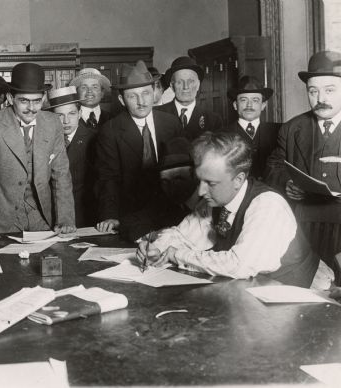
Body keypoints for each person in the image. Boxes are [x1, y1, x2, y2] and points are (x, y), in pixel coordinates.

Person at [137, 131, 320, 287]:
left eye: (211, 183)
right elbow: (180, 235)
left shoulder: (267, 206)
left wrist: (177, 255)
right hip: (256, 292)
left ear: (239, 179)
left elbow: (239, 265)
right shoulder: (215, 200)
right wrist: (156, 249)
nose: (201, 191)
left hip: (302, 295)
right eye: (200, 180)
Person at [0, 62, 76, 242]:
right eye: (24, 101)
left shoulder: (53, 123)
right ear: (10, 98)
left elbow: (62, 176)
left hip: (42, 219)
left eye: (37, 101)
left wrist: (65, 219)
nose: (31, 108)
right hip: (1, 221)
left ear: (43, 98)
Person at [265, 50, 341, 271]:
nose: (321, 99)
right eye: (313, 91)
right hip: (302, 227)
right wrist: (286, 183)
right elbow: (274, 167)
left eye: (330, 90)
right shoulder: (292, 129)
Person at [95, 60, 182, 233]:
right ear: (121, 99)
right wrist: (109, 215)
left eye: (146, 93)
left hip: (170, 213)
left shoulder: (171, 123)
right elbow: (108, 179)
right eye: (132, 96)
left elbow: (182, 172)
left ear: (154, 92)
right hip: (130, 216)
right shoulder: (110, 131)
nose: (141, 101)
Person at [119, 137, 198, 242]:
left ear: (195, 175)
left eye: (178, 179)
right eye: (165, 181)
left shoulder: (210, 202)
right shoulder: (164, 202)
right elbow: (127, 224)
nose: (171, 187)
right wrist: (154, 234)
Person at [47, 86, 98, 227]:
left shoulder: (95, 139)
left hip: (85, 216)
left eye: (72, 114)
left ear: (80, 113)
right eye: (59, 115)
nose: (66, 121)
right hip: (51, 215)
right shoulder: (44, 141)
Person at [222, 76, 280, 179]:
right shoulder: (223, 134)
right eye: (244, 100)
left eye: (255, 100)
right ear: (235, 105)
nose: (249, 105)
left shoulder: (279, 131)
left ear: (263, 105)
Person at [156, 56, 223, 139]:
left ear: (198, 85)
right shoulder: (156, 115)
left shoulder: (213, 120)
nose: (186, 87)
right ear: (172, 86)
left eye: (190, 81)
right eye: (179, 82)